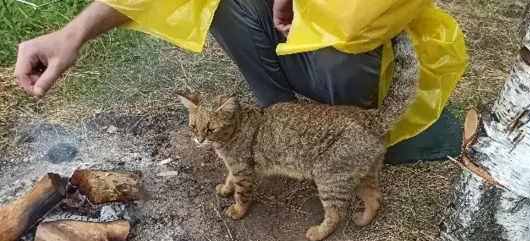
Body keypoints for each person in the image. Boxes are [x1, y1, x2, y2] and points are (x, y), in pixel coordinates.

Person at [15, 0, 384, 109]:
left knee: (348, 41)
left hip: (360, 65)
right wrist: (72, 35)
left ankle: (349, 127)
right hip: (297, 40)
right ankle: (280, 120)